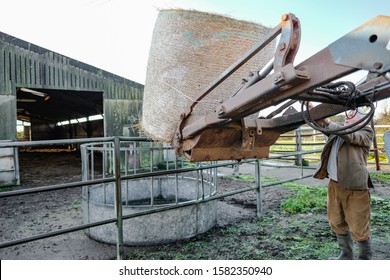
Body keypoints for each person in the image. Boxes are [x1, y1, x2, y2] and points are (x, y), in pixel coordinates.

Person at [312, 107, 374, 260]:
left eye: (352, 115)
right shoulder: (338, 131)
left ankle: (365, 258)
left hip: (355, 186)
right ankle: (346, 254)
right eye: (347, 114)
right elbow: (324, 126)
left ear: (361, 119)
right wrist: (311, 109)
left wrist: (329, 122)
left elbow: (351, 136)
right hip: (335, 184)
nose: (347, 116)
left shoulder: (366, 132)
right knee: (336, 220)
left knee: (359, 223)